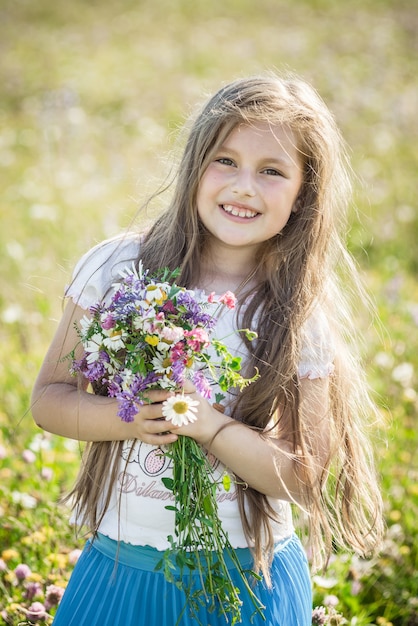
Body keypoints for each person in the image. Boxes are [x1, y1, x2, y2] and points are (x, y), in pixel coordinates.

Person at [31, 72, 384, 626]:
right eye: (226, 161)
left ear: (302, 195)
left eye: (272, 172)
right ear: (195, 166)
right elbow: (48, 400)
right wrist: (132, 419)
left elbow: (300, 476)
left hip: (245, 578)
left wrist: (208, 425)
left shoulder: (295, 312)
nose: (244, 186)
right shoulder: (119, 269)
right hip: (122, 565)